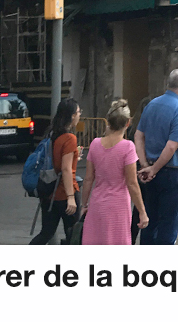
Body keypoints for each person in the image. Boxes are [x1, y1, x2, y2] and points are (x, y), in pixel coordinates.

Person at [135, 68, 178, 245]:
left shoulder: (152, 104)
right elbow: (172, 145)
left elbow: (139, 135)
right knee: (168, 222)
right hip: (171, 171)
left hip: (150, 168)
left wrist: (145, 164)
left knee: (150, 218)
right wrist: (154, 168)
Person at [80, 99, 149, 244]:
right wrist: (142, 212)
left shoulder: (95, 144)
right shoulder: (127, 147)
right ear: (127, 123)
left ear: (108, 121)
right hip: (118, 207)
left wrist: (84, 204)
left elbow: (88, 179)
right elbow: (132, 183)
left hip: (97, 204)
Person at [30, 97, 82, 245]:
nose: (79, 115)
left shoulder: (52, 134)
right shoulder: (69, 138)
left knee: (46, 232)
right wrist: (71, 197)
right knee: (73, 234)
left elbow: (56, 161)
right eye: (78, 112)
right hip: (65, 193)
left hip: (49, 191)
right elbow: (65, 169)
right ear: (72, 116)